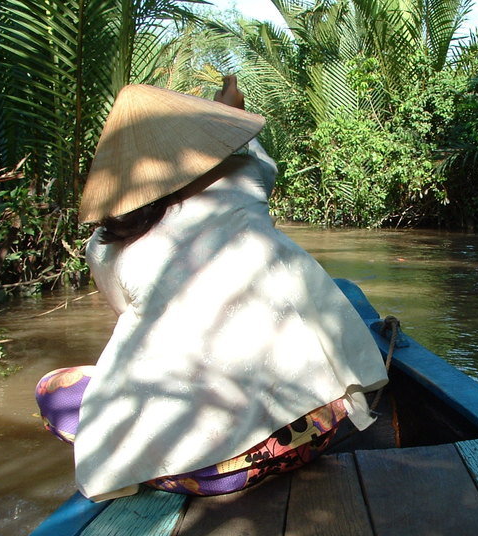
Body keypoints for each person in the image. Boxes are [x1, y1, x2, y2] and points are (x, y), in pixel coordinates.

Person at [35, 77, 389, 502]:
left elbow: (127, 320)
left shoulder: (104, 247)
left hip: (201, 475)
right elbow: (250, 148)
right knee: (339, 298)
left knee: (54, 387)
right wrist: (230, 111)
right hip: (309, 433)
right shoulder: (241, 186)